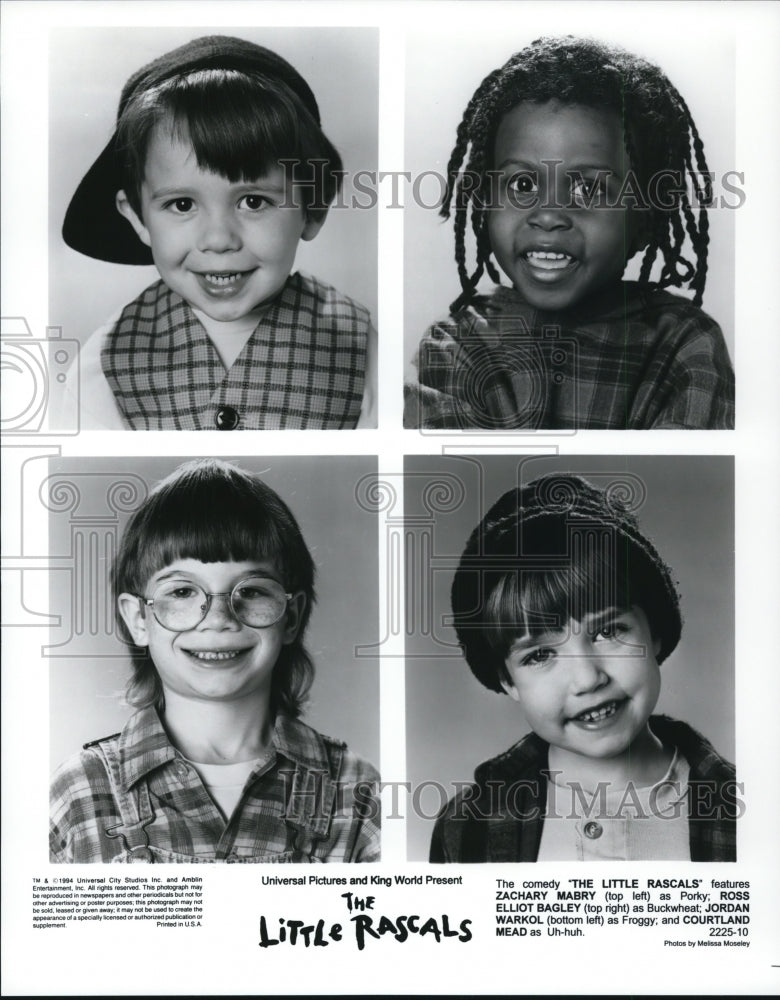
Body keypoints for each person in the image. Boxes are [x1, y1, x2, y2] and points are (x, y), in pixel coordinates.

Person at [50, 459, 380, 863]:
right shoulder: (79, 792)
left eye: (253, 591)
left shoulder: (358, 792)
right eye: (183, 592)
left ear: (291, 617)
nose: (219, 620)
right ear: (138, 618)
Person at [405, 36, 734, 430]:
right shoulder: (458, 344)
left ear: (645, 219)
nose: (548, 215)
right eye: (523, 185)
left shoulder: (685, 343)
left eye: (589, 189)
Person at [61, 35, 376, 430]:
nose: (219, 240)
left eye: (254, 202)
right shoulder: (102, 366)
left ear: (313, 209)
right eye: (182, 205)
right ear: (138, 218)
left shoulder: (361, 348)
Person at [430, 473, 738, 862]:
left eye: (609, 631)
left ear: (654, 631)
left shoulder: (744, 811)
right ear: (508, 680)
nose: (589, 679)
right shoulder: (469, 827)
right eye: (540, 655)